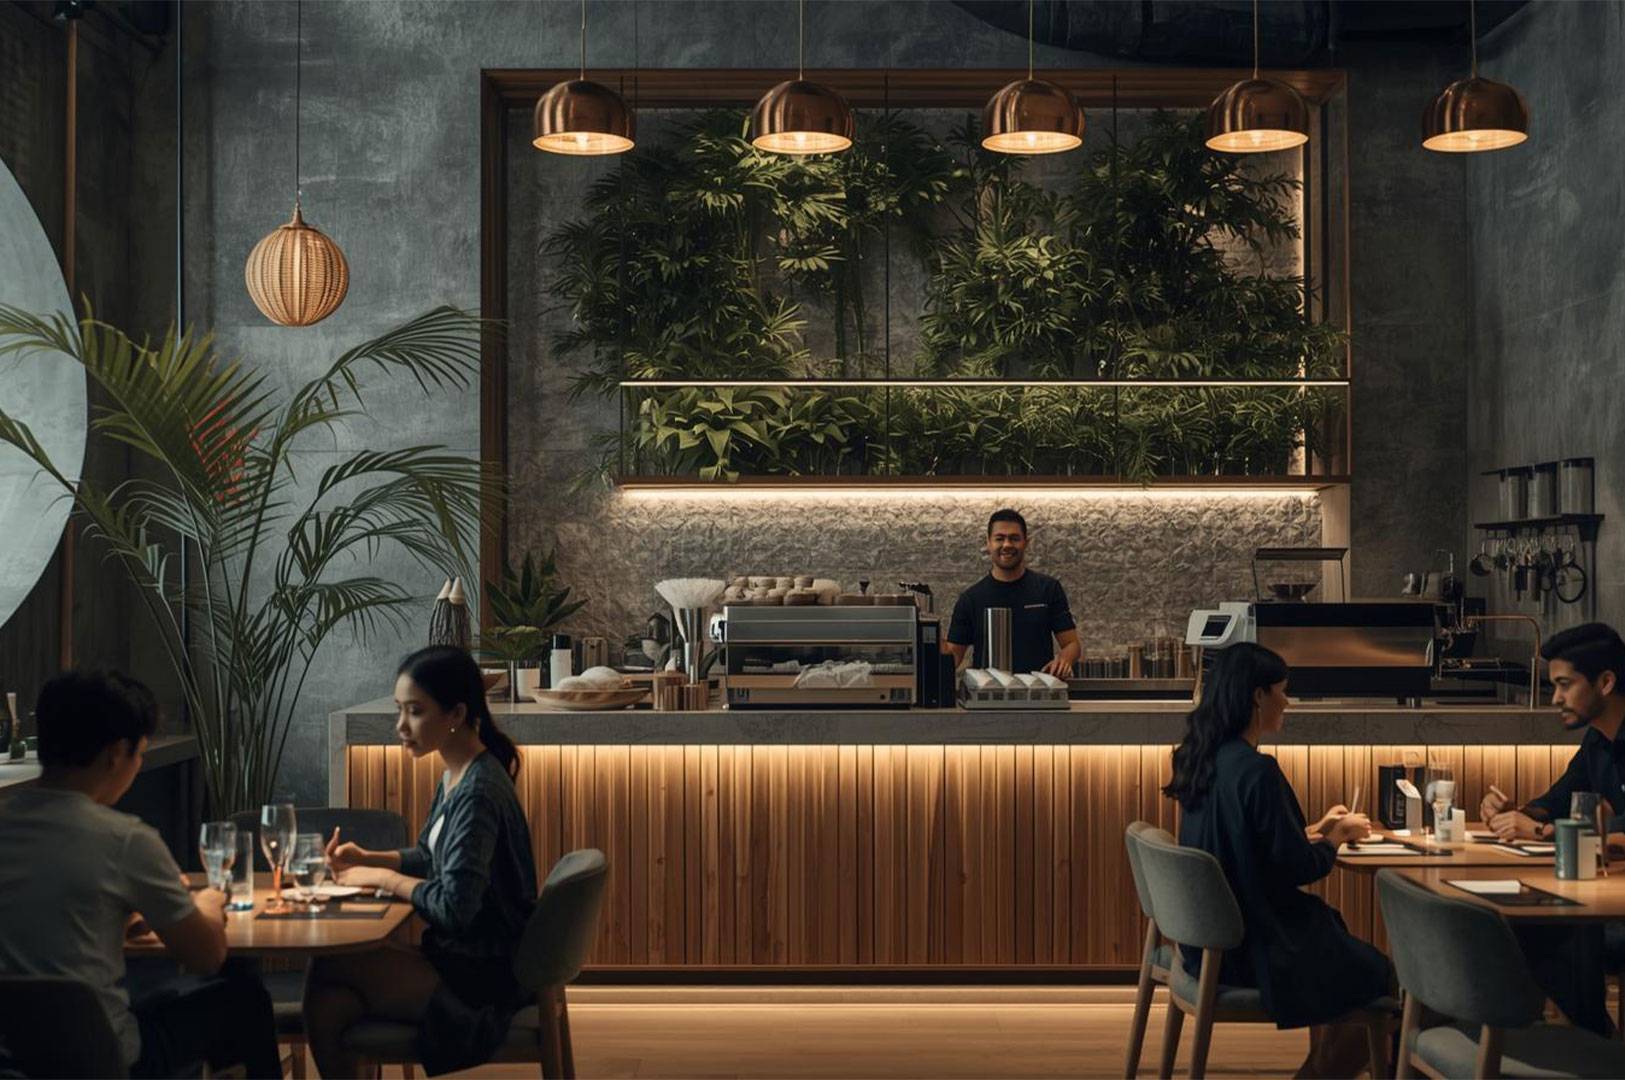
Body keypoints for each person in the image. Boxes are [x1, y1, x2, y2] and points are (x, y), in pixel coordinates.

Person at [0, 670, 278, 1078]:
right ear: (116, 754)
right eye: (140, 753)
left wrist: (124, 917)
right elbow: (205, 955)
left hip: (11, 1061)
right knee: (243, 997)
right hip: (100, 1060)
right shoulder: (124, 840)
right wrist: (208, 899)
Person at [303, 645, 539, 1076]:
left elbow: (454, 906)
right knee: (328, 1003)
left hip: (483, 980)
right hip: (463, 962)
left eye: (415, 711)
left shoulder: (478, 791)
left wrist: (382, 878)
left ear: (455, 714)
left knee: (330, 966)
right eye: (400, 710)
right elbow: (434, 857)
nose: (400, 726)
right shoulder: (458, 773)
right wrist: (374, 857)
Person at [1164, 643, 1391, 1078]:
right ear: (1257, 696)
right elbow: (1297, 869)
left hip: (1208, 944)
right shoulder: (1258, 771)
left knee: (1354, 968)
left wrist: (1317, 829)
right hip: (1258, 946)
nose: (1288, 701)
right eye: (1283, 691)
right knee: (1381, 978)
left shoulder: (1205, 759)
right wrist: (1336, 840)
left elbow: (1244, 843)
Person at [1476, 621, 1625, 1036]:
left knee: (1552, 934)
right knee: (1510, 926)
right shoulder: (1598, 740)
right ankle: (1593, 1044)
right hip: (1606, 897)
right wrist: (1518, 812)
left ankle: (1594, 1048)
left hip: (1614, 911)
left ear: (1606, 682)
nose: (1555, 697)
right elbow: (1558, 800)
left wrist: (1543, 833)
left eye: (1564, 684)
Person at [945, 508, 1081, 677]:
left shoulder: (1048, 589)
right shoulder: (970, 599)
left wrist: (1063, 659)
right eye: (999, 538)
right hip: (988, 698)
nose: (1007, 545)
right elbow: (953, 657)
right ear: (988, 543)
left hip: (1039, 695)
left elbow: (1072, 644)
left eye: (1014, 538)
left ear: (1026, 542)